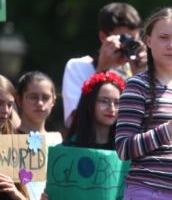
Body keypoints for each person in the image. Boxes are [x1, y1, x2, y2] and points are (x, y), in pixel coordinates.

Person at [115, 7, 172, 200]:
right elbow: (124, 148)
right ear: (148, 41)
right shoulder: (137, 86)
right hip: (147, 191)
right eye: (164, 37)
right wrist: (171, 127)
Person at [62, 2, 146, 128]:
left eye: (133, 40)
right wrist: (102, 69)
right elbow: (74, 121)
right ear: (103, 37)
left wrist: (142, 76)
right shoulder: (78, 67)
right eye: (123, 38)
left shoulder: (138, 70)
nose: (127, 45)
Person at [15, 71, 61, 200]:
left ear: (53, 100)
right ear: (19, 100)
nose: (40, 103)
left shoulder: (59, 142)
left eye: (45, 97)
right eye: (33, 97)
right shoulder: (8, 138)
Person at [64, 70, 125, 149]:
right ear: (90, 103)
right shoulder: (68, 148)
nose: (112, 109)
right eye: (104, 101)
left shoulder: (125, 149)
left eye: (117, 103)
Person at [0, 74, 30, 200]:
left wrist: (16, 194)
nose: (5, 110)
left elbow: (25, 195)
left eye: (10, 104)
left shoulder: (10, 144)